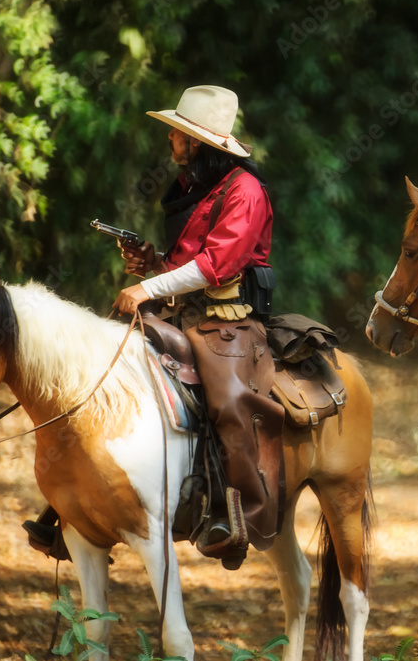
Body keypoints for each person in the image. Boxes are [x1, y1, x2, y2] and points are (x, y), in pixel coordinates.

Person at [25, 85, 281, 568]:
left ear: (199, 142)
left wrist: (148, 289)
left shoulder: (245, 190)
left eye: (179, 133)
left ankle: (238, 514)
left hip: (226, 320)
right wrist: (153, 265)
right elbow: (184, 264)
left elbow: (217, 266)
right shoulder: (195, 187)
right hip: (180, 312)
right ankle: (73, 503)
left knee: (227, 403)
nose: (171, 139)